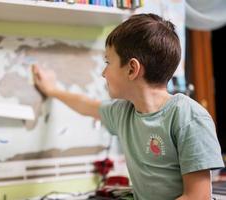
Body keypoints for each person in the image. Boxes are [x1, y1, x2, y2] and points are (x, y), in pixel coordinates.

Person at [32, 13, 224, 200]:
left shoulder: (188, 117)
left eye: (108, 62)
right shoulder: (123, 112)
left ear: (132, 69)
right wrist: (52, 90)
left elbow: (198, 196)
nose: (103, 73)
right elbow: (86, 105)